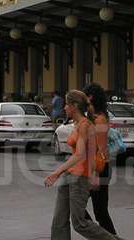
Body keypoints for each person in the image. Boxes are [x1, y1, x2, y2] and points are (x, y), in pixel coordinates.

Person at [45, 90, 116, 240]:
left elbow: (82, 154)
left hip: (79, 177)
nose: (64, 107)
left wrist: (57, 172)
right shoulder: (77, 123)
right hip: (69, 175)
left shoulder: (85, 125)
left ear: (74, 106)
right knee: (59, 220)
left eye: (66, 104)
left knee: (79, 223)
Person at [82, 83, 117, 235]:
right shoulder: (92, 117)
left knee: (100, 212)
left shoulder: (100, 119)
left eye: (85, 96)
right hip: (92, 168)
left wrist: (95, 174)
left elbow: (101, 150)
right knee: (79, 205)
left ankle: (108, 237)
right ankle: (103, 236)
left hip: (99, 169)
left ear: (90, 97)